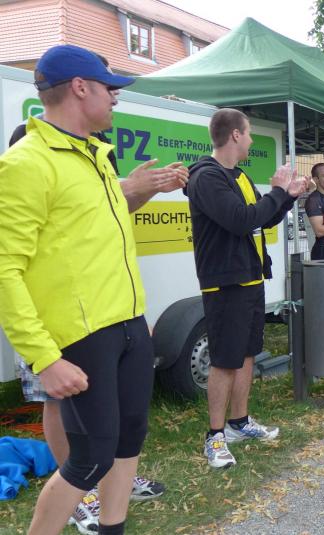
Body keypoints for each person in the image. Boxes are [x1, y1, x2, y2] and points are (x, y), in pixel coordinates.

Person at [7, 52, 183, 535]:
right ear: (80, 87)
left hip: (127, 324)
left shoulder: (97, 157)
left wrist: (135, 319)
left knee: (129, 441)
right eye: (110, 88)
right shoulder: (25, 162)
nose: (116, 98)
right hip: (80, 334)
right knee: (90, 457)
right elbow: (5, 270)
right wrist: (44, 358)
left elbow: (101, 238)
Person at [186, 108, 308, 468]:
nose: (252, 140)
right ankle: (215, 436)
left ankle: (239, 422)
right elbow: (240, 221)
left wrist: (287, 197)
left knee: (247, 354)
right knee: (225, 360)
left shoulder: (238, 176)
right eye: (249, 133)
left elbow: (261, 218)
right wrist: (277, 191)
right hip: (225, 282)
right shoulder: (206, 177)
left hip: (251, 277)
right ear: (235, 135)